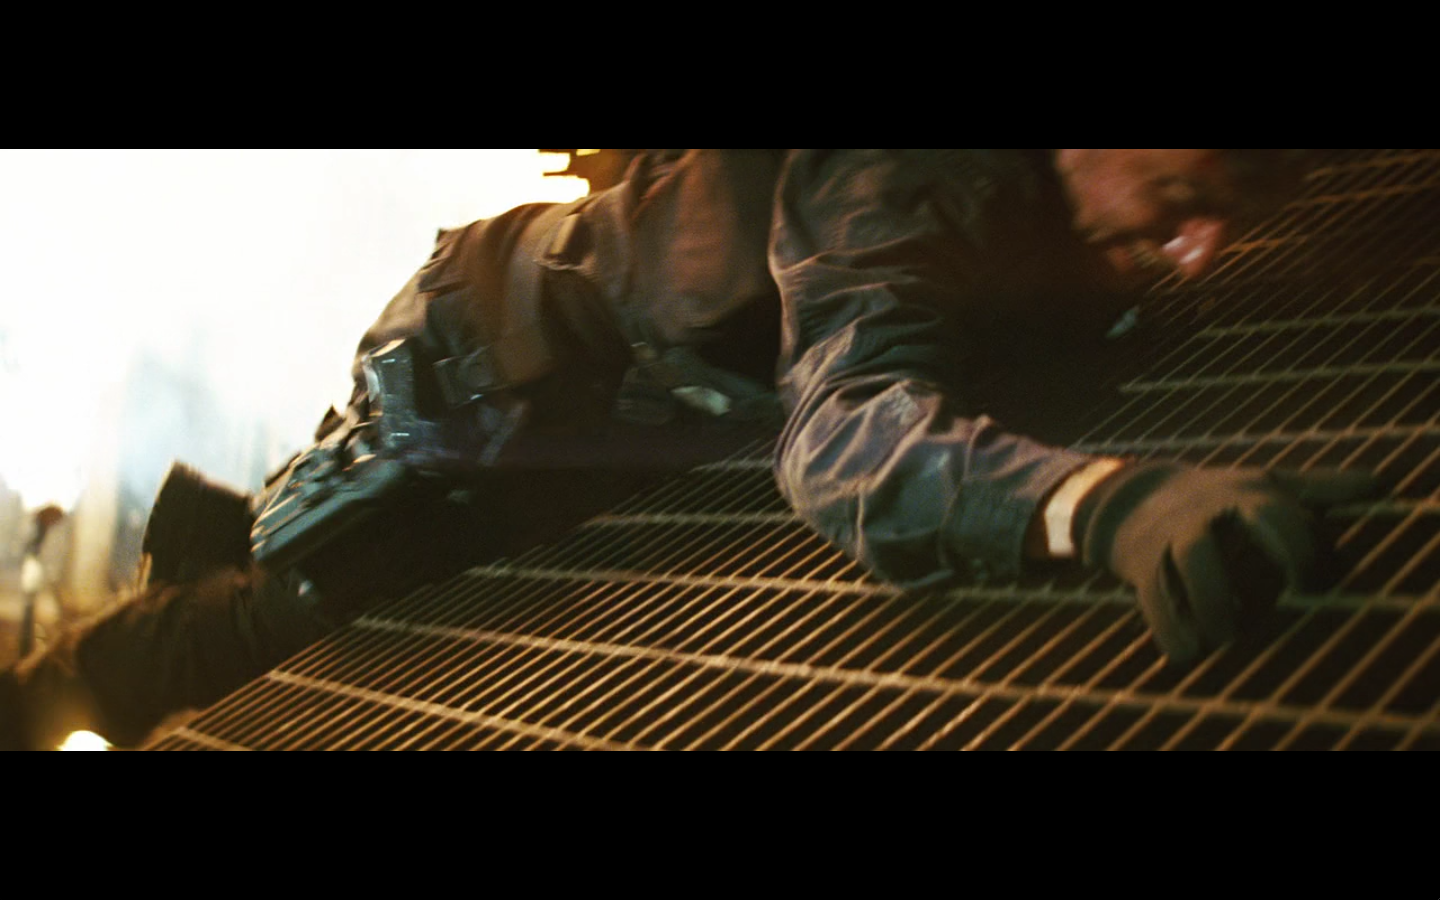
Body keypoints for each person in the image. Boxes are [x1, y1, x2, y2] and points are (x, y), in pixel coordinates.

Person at [0, 149, 1380, 750]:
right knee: (311, 590)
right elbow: (845, 438)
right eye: (1186, 190)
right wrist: (1103, 506)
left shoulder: (1049, 200)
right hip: (490, 377)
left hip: (636, 406)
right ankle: (53, 689)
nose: (1205, 250)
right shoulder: (898, 184)